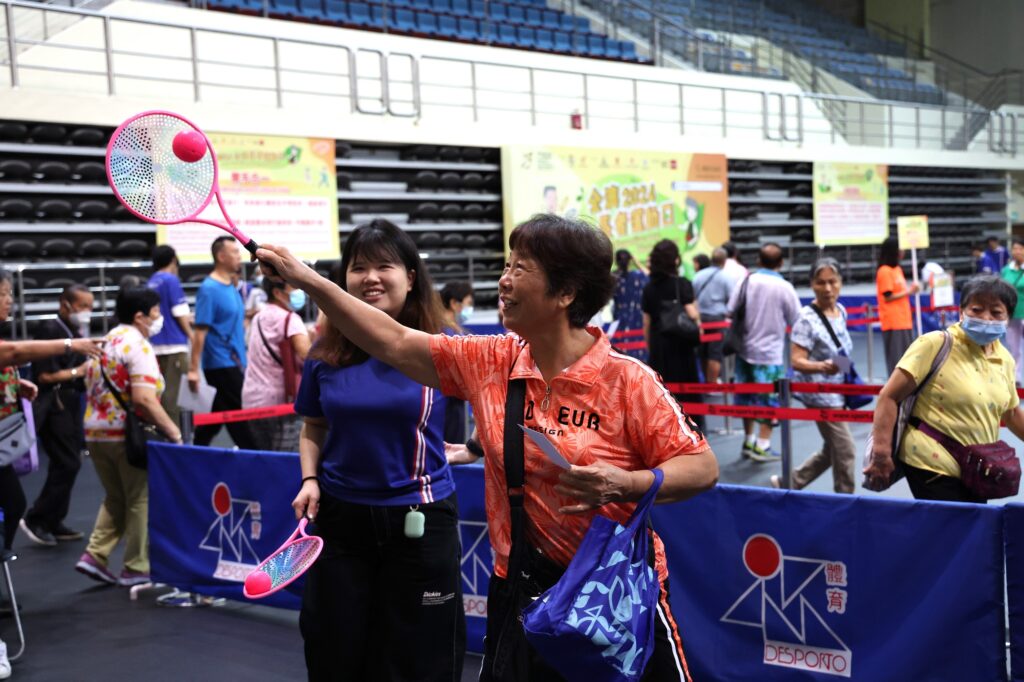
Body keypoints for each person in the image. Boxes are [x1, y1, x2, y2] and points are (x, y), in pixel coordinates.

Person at [258, 213, 718, 681]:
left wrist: (628, 483)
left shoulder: (629, 381)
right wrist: (307, 279)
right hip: (519, 588)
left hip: (611, 591)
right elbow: (394, 341)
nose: (503, 280)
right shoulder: (490, 360)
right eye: (506, 265)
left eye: (520, 268)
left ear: (566, 292)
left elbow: (701, 467)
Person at [289, 220, 465, 681]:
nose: (370, 278)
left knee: (420, 656)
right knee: (335, 648)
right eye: (358, 267)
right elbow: (313, 426)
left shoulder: (443, 347)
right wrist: (310, 479)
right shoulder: (325, 353)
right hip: (340, 523)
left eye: (384, 266)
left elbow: (500, 401)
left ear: (411, 277)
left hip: (421, 520)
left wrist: (473, 448)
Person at [865, 276, 1024, 502]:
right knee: (955, 522)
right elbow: (889, 396)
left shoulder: (1004, 359)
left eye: (996, 312)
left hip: (976, 466)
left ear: (1008, 318)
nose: (986, 318)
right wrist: (881, 453)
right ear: (961, 312)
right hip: (930, 460)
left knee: (970, 522)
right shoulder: (935, 344)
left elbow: (1011, 413)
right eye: (976, 309)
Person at [75, 287, 182, 587]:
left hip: (95, 432)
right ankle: (136, 566)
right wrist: (174, 432)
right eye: (156, 312)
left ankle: (95, 555)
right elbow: (144, 399)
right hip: (126, 435)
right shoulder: (138, 347)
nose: (159, 318)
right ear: (139, 316)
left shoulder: (105, 341)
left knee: (115, 496)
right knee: (138, 498)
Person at [771, 259, 857, 493]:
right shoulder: (806, 319)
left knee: (832, 449)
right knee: (846, 449)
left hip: (840, 390)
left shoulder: (841, 311)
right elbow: (796, 361)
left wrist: (841, 368)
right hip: (821, 395)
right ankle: (845, 501)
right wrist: (822, 366)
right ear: (812, 284)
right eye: (821, 282)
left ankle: (789, 482)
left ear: (840, 283)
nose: (828, 288)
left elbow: (841, 351)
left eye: (832, 281)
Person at [20, 284, 94, 547]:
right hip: (54, 405)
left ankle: (53, 520)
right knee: (67, 462)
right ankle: (37, 518)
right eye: (82, 306)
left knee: (69, 461)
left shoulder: (73, 331)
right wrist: (78, 372)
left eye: (90, 307)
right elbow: (44, 376)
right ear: (65, 304)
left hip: (70, 403)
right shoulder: (51, 331)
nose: (86, 312)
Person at [728, 242, 800, 462]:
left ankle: (748, 441)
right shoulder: (785, 287)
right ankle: (763, 445)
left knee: (746, 397)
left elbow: (730, 309)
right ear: (781, 263)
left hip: (744, 352)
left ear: (758, 260)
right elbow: (796, 319)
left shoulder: (746, 281)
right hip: (770, 356)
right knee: (770, 400)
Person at [188, 236, 258, 450]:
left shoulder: (230, 286)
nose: (239, 256)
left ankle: (196, 449)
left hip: (235, 359)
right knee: (240, 416)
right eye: (234, 252)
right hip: (221, 363)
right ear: (221, 256)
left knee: (217, 412)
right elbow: (200, 331)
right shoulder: (209, 289)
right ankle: (254, 455)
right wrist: (193, 369)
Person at [241, 277, 310, 452]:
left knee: (264, 459)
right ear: (277, 293)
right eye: (293, 287)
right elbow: (307, 356)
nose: (298, 292)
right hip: (280, 403)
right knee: (285, 461)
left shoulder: (257, 317)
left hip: (252, 400)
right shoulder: (290, 319)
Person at [642, 239, 703, 429]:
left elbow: (646, 322)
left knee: (663, 394)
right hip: (681, 346)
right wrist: (698, 324)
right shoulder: (682, 283)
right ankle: (691, 430)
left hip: (659, 348)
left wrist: (651, 347)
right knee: (687, 395)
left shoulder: (649, 288)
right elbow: (692, 313)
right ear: (676, 260)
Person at [147, 245, 193, 432]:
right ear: (173, 260)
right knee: (174, 401)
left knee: (163, 396)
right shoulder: (171, 280)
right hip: (174, 347)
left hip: (155, 346)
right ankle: (176, 438)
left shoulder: (151, 281)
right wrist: (193, 336)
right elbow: (179, 312)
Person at [692, 247, 737, 386]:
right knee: (715, 353)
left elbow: (692, 297)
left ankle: (706, 383)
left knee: (703, 352)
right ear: (724, 261)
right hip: (718, 320)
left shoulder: (698, 275)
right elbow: (732, 299)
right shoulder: (726, 277)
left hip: (700, 319)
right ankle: (712, 384)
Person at [876, 236, 920, 376]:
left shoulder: (897, 270)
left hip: (904, 320)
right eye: (900, 248)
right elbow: (887, 296)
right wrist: (909, 291)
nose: (902, 251)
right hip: (893, 322)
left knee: (907, 359)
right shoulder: (884, 271)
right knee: (897, 361)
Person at [440, 281, 474, 444]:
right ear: (454, 303)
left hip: (455, 403)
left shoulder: (457, 331)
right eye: (468, 303)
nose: (470, 309)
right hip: (446, 405)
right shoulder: (444, 333)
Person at [611, 249, 648, 362]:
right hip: (637, 321)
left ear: (616, 261)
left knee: (622, 356)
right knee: (638, 356)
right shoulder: (639, 276)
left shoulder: (613, 278)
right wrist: (637, 263)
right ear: (630, 261)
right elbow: (649, 276)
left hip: (620, 321)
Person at [1002, 238, 1024, 386]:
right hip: (1012, 314)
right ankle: (1016, 377)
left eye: (1020, 249)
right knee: (1013, 348)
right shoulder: (1006, 270)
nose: (1017, 252)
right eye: (1014, 249)